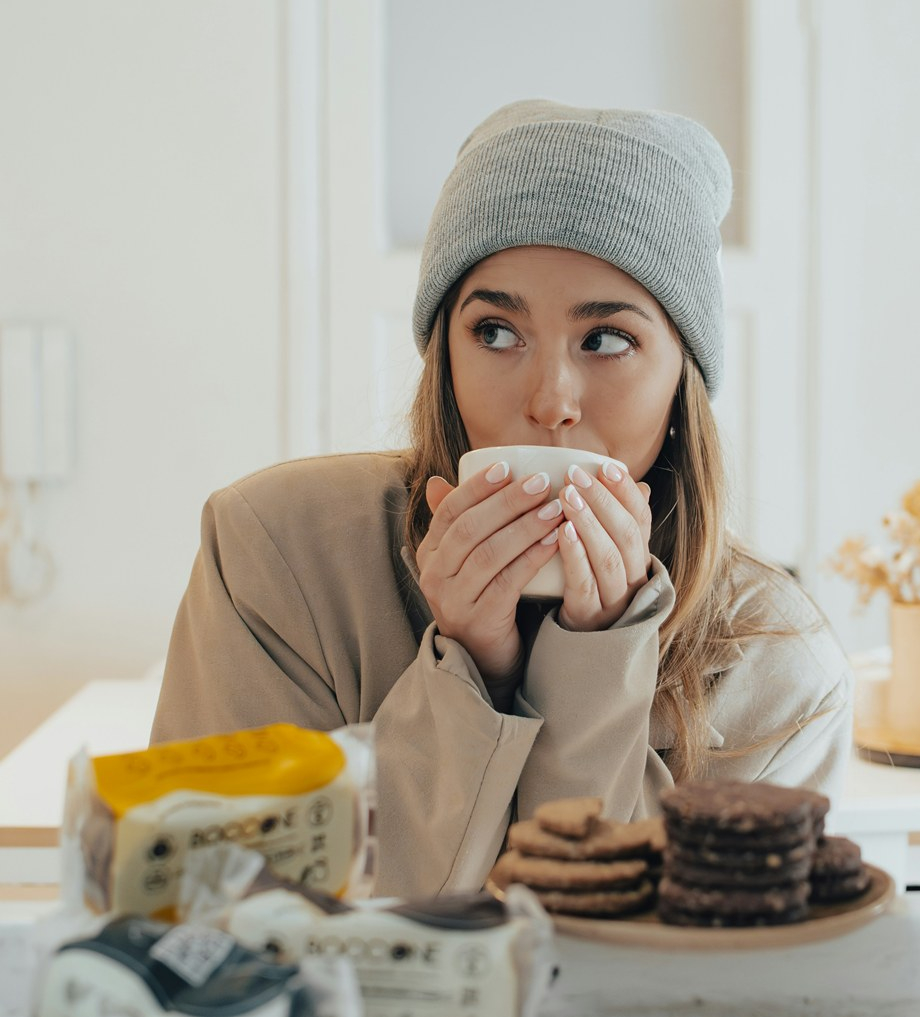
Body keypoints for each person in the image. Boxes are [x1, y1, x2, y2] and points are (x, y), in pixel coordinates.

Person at [152, 100, 853, 897]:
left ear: (680, 384)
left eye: (607, 339)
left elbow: (655, 976)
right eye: (493, 331)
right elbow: (216, 915)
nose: (550, 397)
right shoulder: (278, 554)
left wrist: (596, 658)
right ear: (442, 356)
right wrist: (467, 671)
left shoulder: (776, 665)